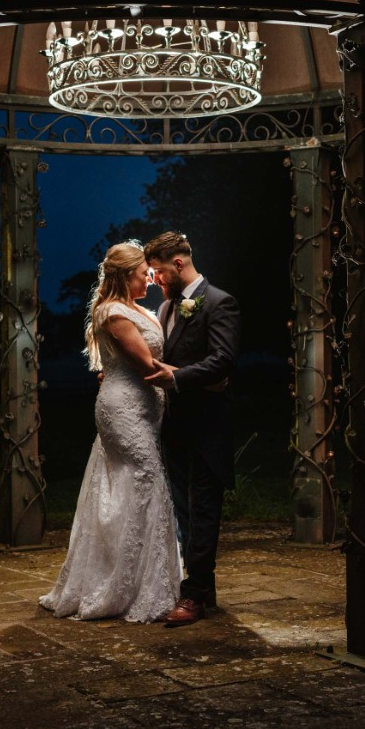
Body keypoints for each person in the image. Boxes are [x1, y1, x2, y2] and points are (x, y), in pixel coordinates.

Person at [38, 240, 182, 623]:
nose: (149, 281)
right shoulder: (113, 312)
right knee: (147, 477)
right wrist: (200, 380)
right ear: (124, 275)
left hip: (147, 408)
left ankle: (135, 577)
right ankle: (127, 584)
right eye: (142, 274)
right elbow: (146, 365)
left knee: (132, 483)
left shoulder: (140, 310)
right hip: (123, 408)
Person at [143, 231, 241, 627]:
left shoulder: (220, 303)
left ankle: (195, 597)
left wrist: (178, 378)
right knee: (183, 511)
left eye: (159, 272)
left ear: (178, 264)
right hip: (174, 427)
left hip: (206, 426)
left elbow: (223, 361)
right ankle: (203, 587)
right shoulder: (167, 309)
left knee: (202, 511)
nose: (156, 280)